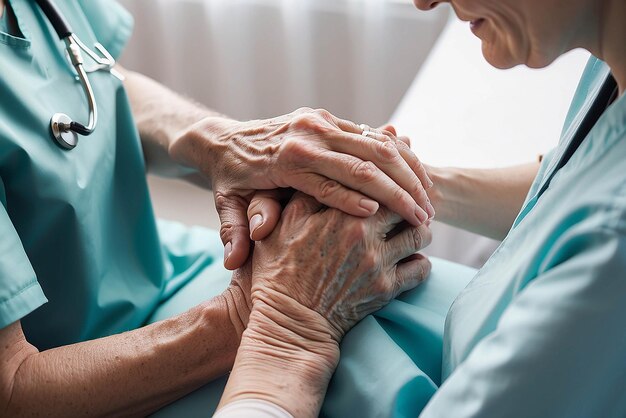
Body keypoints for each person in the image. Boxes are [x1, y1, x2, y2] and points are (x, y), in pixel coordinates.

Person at [0, 0, 435, 415]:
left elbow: (89, 73)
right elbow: (12, 393)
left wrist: (223, 143)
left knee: (408, 312)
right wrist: (273, 308)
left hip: (160, 263)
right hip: (105, 374)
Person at [212, 0, 626, 416]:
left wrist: (289, 328)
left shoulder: (613, 246)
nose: (423, 2)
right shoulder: (609, 60)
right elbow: (572, 180)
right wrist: (408, 184)